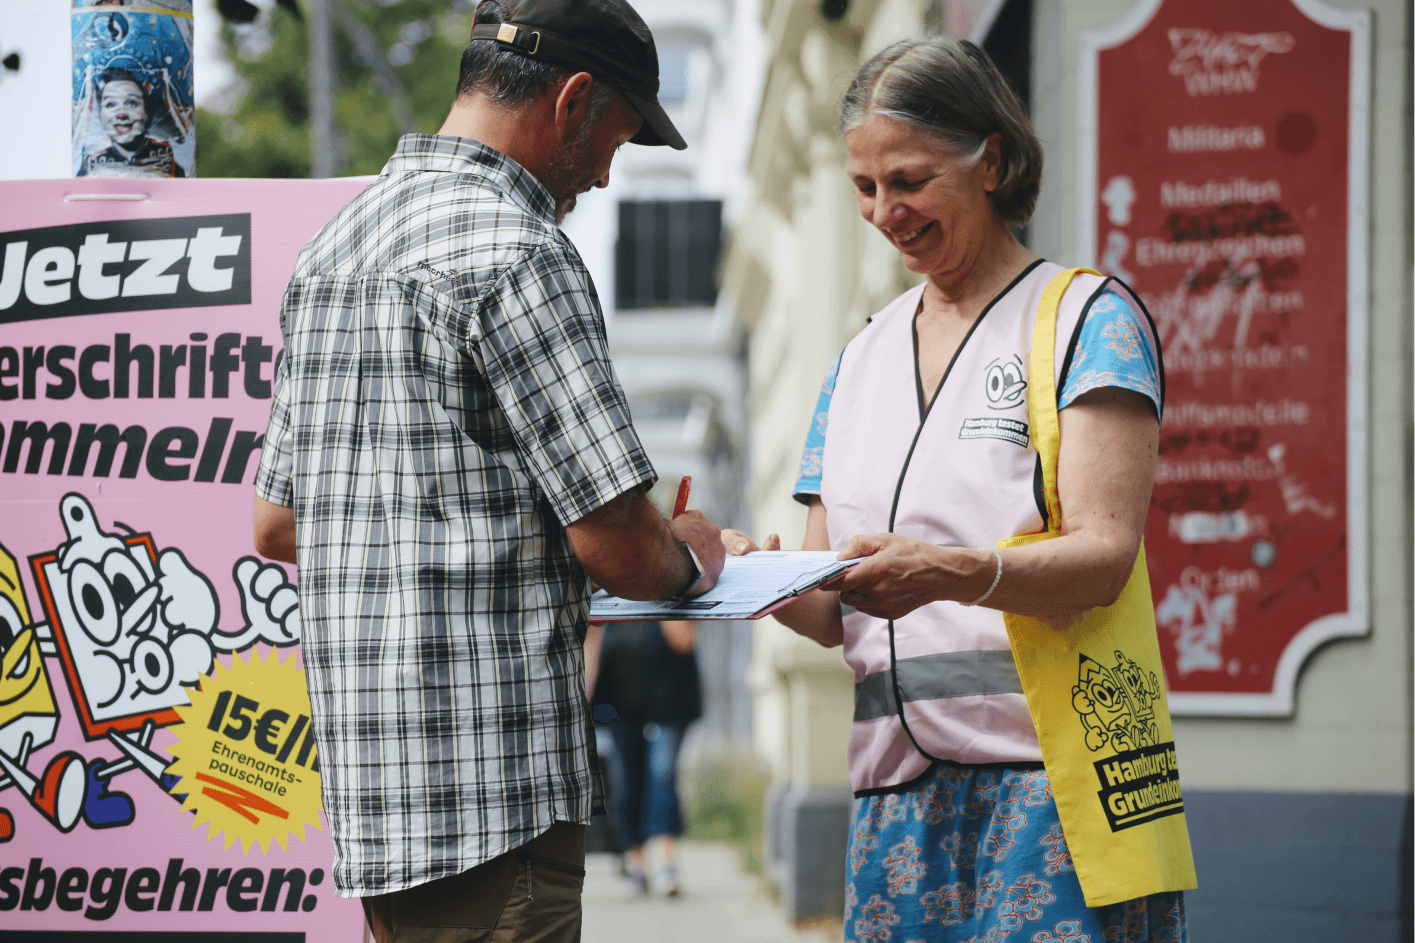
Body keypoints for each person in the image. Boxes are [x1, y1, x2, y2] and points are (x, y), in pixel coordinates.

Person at [251, 2, 725, 940]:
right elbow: (621, 548)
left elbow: (276, 524)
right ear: (573, 99)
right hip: (492, 795)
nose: (599, 176)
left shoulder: (335, 249)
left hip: (376, 801)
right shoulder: (518, 251)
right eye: (613, 145)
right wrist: (693, 558)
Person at [725, 37, 1188, 941]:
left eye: (908, 179)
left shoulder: (1085, 321)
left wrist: (948, 572)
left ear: (994, 161)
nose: (882, 212)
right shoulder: (855, 363)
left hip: (1057, 787)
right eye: (864, 188)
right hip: (894, 796)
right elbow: (835, 610)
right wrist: (751, 580)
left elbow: (1103, 558)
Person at [586, 619, 700, 896]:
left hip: (666, 708)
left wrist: (655, 594)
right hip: (619, 710)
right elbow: (592, 649)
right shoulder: (610, 597)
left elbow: (684, 640)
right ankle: (636, 865)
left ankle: (666, 864)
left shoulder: (666, 590)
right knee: (626, 787)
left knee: (662, 780)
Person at [78, 67, 186, 178]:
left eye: (132, 103)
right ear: (100, 114)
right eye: (110, 104)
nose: (121, 114)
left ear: (146, 111)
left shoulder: (169, 157)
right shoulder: (91, 164)